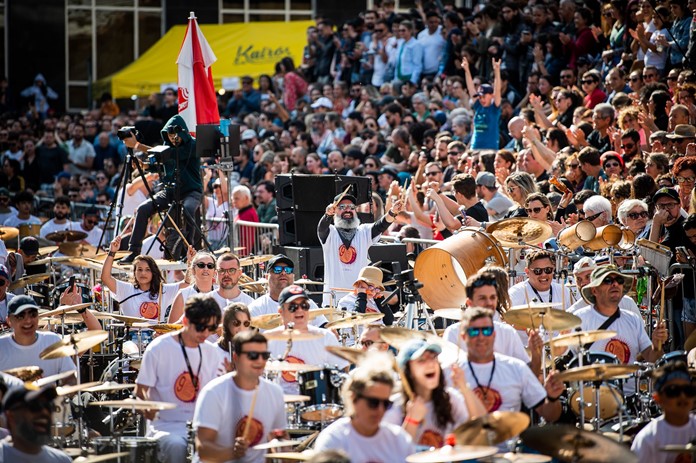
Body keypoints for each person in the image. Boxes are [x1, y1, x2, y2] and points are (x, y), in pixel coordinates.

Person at [135, 295, 227, 463]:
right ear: (185, 321)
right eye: (200, 327)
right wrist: (148, 408)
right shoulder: (158, 348)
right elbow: (141, 390)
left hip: (202, 425)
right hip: (166, 425)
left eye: (211, 327)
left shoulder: (212, 352)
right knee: (176, 445)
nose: (206, 333)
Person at [453, 307, 565, 420]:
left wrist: (552, 398)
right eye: (474, 331)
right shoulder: (450, 373)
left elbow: (550, 415)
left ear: (494, 335)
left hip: (511, 437)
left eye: (487, 331)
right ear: (463, 336)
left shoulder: (516, 368)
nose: (481, 337)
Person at [120, 114, 203, 263]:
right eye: (169, 136)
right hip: (170, 191)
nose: (172, 139)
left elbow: (170, 155)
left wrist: (137, 145)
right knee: (143, 208)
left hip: (191, 191)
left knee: (189, 210)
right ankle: (134, 251)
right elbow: (159, 164)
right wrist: (145, 166)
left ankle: (190, 251)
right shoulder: (165, 147)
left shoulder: (193, 145)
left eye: (175, 135)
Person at [194, 331, 286, 463]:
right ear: (236, 357)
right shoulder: (213, 392)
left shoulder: (275, 392)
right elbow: (203, 450)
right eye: (253, 355)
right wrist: (232, 452)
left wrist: (285, 451)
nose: (260, 361)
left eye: (264, 355)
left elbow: (280, 436)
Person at [575, 265, 667, 395]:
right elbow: (568, 364)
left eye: (619, 280)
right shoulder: (579, 319)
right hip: (593, 400)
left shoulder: (633, 319)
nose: (615, 284)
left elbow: (652, 359)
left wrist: (657, 344)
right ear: (594, 290)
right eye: (608, 280)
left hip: (631, 398)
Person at [383, 339, 485, 448]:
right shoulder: (395, 407)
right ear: (408, 371)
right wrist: (411, 420)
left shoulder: (450, 398)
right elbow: (393, 454)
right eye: (422, 360)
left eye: (433, 358)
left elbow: (483, 425)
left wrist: (464, 388)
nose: (431, 363)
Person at [443, 270, 542, 375]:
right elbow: (447, 376)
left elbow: (528, 375)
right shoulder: (453, 333)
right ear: (469, 303)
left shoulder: (507, 333)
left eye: (492, 297)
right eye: (482, 298)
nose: (489, 303)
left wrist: (536, 354)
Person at [313, 363, 415, 460]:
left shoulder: (399, 439)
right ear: (353, 398)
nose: (381, 410)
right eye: (373, 402)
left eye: (386, 404)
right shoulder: (333, 440)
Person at [318, 192, 403, 306]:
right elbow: (322, 228)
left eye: (352, 207)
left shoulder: (363, 232)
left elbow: (380, 225)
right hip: (333, 301)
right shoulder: (331, 233)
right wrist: (327, 215)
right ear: (335, 211)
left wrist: (392, 212)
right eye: (342, 207)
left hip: (358, 299)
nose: (347, 210)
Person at [265, 285, 348, 394]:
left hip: (315, 404)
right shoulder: (268, 339)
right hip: (280, 404)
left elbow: (343, 372)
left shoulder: (325, 337)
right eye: (293, 307)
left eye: (304, 305)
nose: (299, 310)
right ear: (281, 311)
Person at [0, 293, 97, 379]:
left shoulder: (53, 341)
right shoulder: (2, 346)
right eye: (20, 316)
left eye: (33, 314)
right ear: (9, 320)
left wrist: (80, 308)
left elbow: (95, 332)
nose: (28, 320)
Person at [103, 237, 183, 321]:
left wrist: (191, 262)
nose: (143, 273)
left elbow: (187, 284)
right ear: (134, 272)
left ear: (153, 272)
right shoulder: (126, 289)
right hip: (131, 333)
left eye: (148, 270)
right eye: (139, 269)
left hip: (158, 334)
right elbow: (105, 277)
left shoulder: (163, 290)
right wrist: (112, 252)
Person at [631, 360, 696, 463]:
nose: (683, 396)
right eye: (673, 391)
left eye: (688, 390)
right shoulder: (648, 439)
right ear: (658, 398)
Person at [248, 254, 327, 328]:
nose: (283, 273)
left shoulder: (307, 304)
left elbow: (325, 328)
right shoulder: (256, 308)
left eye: (288, 270)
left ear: (293, 276)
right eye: (277, 269)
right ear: (266, 276)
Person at [0, 384, 71, 462]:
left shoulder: (62, 460)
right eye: (35, 406)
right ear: (11, 417)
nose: (44, 412)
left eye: (48, 406)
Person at [461, 57, 502, 150]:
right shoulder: (478, 106)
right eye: (480, 97)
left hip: (490, 149)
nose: (481, 99)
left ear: (491, 95)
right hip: (475, 147)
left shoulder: (494, 108)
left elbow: (497, 89)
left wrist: (497, 71)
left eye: (484, 96)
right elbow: (471, 88)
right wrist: (467, 70)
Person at [168, 250, 217, 323]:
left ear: (214, 272)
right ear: (193, 270)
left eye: (210, 266)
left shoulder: (222, 293)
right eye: (201, 265)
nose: (206, 269)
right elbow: (171, 328)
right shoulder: (183, 295)